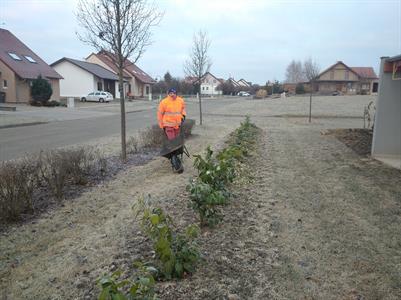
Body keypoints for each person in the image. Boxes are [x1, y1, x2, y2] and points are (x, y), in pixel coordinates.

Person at [157, 88, 186, 173]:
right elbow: (159, 114)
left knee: (176, 144)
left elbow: (183, 109)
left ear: (176, 93)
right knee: (173, 143)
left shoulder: (180, 100)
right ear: (168, 93)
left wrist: (183, 115)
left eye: (173, 92)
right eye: (170, 93)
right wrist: (161, 125)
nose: (172, 94)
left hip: (177, 126)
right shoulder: (164, 102)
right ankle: (175, 160)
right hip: (168, 126)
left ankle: (175, 158)